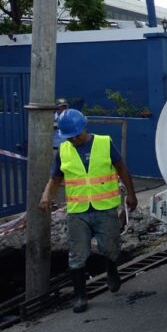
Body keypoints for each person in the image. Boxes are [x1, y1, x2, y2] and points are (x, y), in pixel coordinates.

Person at [38, 109, 138, 313]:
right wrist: (46, 195)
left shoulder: (104, 143)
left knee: (110, 247)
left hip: (105, 207)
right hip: (78, 211)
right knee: (77, 254)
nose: (74, 139)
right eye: (70, 136)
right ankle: (80, 296)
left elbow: (121, 169)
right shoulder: (63, 151)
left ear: (84, 127)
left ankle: (112, 271)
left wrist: (131, 194)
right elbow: (55, 178)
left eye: (76, 134)